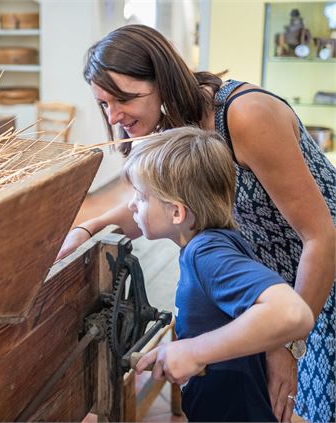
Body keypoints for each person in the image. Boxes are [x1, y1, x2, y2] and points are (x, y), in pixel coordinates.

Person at [57, 24, 336, 422]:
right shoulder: (171, 125)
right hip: (272, 281)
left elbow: (321, 236)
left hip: (322, 276)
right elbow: (151, 206)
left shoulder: (244, 115)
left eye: (123, 99)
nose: (114, 116)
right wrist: (88, 228)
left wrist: (288, 345)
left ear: (163, 80)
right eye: (104, 103)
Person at [120, 127, 314, 421]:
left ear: (177, 212)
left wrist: (195, 351)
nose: (132, 204)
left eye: (142, 196)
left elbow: (293, 313)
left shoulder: (207, 253)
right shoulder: (216, 240)